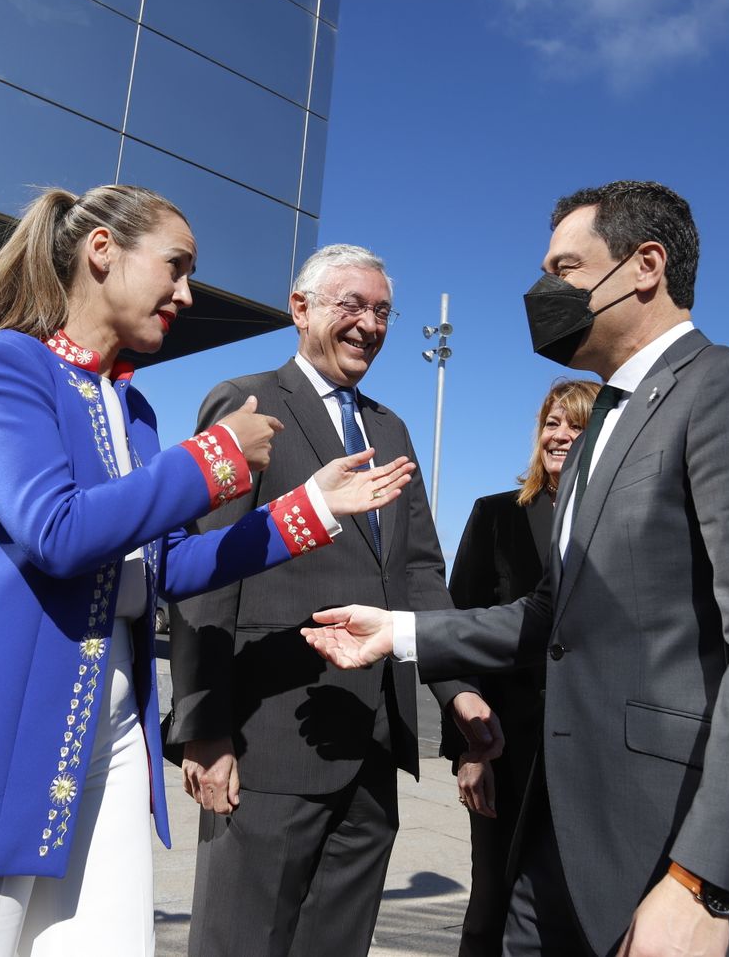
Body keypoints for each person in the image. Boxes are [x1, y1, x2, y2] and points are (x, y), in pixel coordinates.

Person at [0, 186, 416, 957]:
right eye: (175, 267)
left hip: (111, 728)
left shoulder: (133, 410)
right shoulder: (10, 366)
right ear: (101, 251)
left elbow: (167, 565)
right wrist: (212, 458)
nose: (186, 293)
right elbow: (57, 532)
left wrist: (310, 507)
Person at [302, 182, 729, 957]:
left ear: (645, 266)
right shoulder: (605, 423)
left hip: (678, 853)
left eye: (565, 268)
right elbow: (549, 620)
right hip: (561, 843)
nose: (544, 291)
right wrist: (399, 633)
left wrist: (706, 882)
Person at [167, 244, 501, 957]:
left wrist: (458, 692)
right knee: (242, 943)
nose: (369, 325)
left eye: (382, 311)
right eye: (351, 305)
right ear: (301, 309)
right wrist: (204, 723)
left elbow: (419, 575)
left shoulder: (391, 430)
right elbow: (207, 572)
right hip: (267, 744)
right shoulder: (247, 404)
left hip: (373, 744)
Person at [441, 378, 598, 957]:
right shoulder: (496, 516)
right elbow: (460, 633)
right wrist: (470, 749)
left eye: (575, 425)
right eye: (551, 423)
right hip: (508, 749)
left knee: (579, 915)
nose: (559, 436)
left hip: (595, 757)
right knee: (492, 905)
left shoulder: (619, 523)